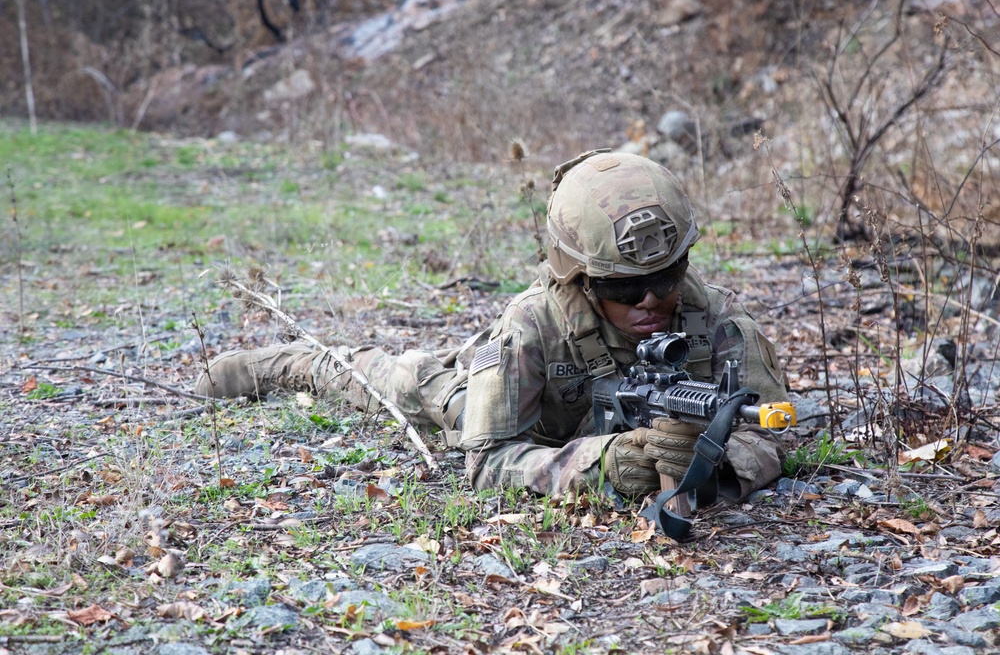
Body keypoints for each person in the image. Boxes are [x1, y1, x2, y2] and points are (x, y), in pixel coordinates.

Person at [195, 149, 789, 503]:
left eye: (669, 275)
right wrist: (600, 465)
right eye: (624, 287)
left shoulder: (719, 320)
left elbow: (777, 430)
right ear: (579, 277)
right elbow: (488, 464)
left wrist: (710, 461)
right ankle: (294, 361)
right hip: (530, 408)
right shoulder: (531, 326)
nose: (653, 299)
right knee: (407, 379)